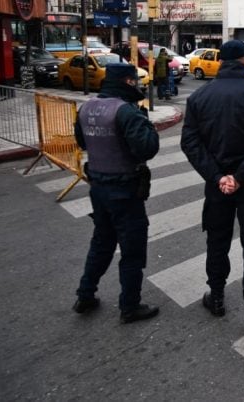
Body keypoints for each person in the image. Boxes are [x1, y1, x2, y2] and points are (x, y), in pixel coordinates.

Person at [180, 39, 244, 337]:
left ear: (221, 62)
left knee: (217, 242)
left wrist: (218, 177)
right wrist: (240, 177)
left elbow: (191, 143)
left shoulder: (199, 97)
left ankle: (217, 298)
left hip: (217, 187)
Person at [72, 63, 161, 324]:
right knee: (132, 251)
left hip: (98, 188)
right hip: (124, 190)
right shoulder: (126, 111)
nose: (138, 84)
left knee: (101, 243)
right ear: (128, 82)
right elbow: (146, 148)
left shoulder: (86, 108)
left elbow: (81, 141)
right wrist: (146, 123)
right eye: (135, 81)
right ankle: (130, 306)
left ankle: (85, 294)